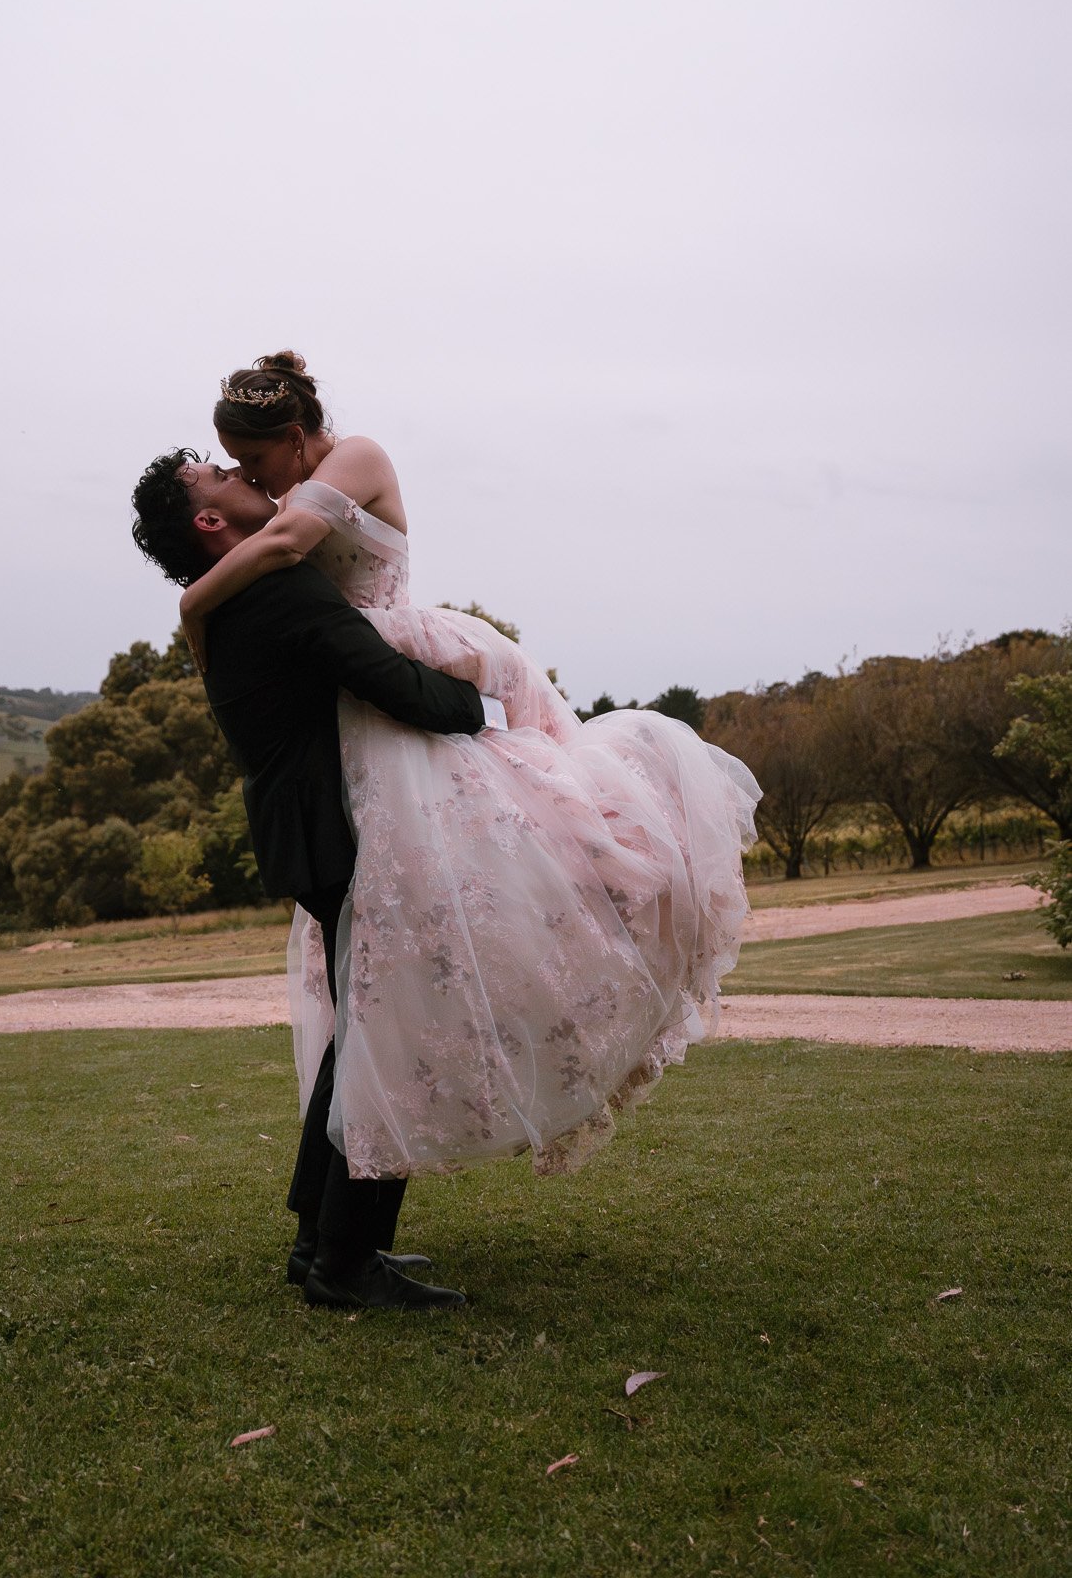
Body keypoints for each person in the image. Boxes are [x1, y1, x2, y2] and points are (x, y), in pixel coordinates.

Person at [177, 353, 760, 1186]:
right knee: (387, 964)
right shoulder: (286, 510)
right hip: (360, 704)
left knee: (540, 834)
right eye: (230, 466)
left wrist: (193, 602)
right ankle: (343, 1214)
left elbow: (287, 541)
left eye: (255, 460)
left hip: (401, 652)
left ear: (297, 437)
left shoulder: (356, 459)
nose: (250, 478)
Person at [131, 446, 505, 1311]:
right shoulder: (275, 590)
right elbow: (391, 685)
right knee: (387, 1038)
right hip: (343, 837)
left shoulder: (223, 607)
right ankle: (345, 1263)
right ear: (210, 521)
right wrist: (488, 708)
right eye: (214, 474)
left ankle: (322, 1242)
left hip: (304, 837)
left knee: (361, 1036)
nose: (237, 471)